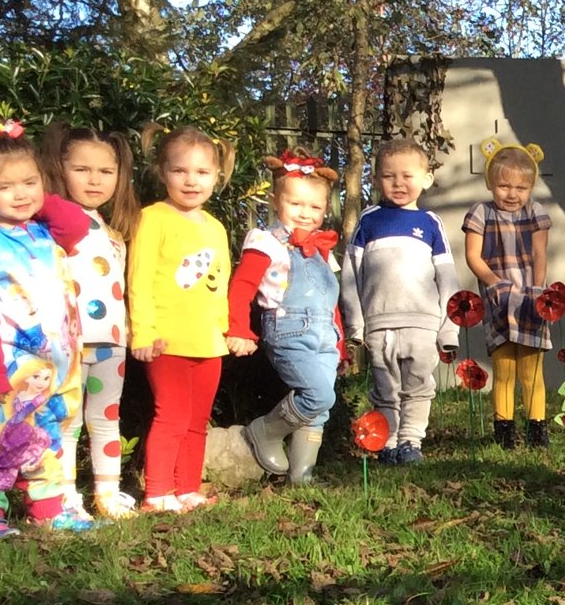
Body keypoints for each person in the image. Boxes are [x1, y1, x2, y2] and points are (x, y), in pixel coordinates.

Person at [0, 120, 96, 537]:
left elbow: (78, 226)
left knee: (47, 439)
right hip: (10, 369)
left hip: (60, 366)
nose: (20, 194)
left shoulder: (45, 232)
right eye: (5, 186)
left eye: (29, 182)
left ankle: (48, 510)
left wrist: (42, 198)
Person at [130, 125, 234, 512]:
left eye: (202, 173)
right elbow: (138, 278)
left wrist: (225, 331)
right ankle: (157, 493)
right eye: (180, 171)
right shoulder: (152, 218)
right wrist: (143, 331)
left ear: (216, 177)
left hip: (208, 342)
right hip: (165, 341)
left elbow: (220, 284)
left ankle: (188, 488)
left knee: (197, 420)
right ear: (162, 172)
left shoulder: (217, 228)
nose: (191, 181)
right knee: (171, 415)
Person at [43, 123, 140, 520]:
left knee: (105, 417)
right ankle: (63, 496)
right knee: (65, 421)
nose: (95, 180)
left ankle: (107, 493)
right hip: (68, 340)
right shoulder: (54, 221)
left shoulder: (113, 230)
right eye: (82, 169)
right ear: (59, 169)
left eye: (106, 171)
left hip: (112, 340)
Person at [228, 151, 344, 484]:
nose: (306, 214)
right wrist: (240, 329)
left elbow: (329, 299)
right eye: (296, 205)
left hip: (324, 335)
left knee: (319, 409)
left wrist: (341, 345)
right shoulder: (266, 242)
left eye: (315, 207)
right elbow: (242, 286)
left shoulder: (322, 249)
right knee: (318, 395)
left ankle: (301, 477)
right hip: (288, 330)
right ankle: (265, 431)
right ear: (275, 200)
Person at [342, 140, 458, 465]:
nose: (399, 183)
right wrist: (356, 323)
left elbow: (447, 279)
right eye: (389, 176)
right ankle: (388, 441)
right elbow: (351, 274)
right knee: (385, 388)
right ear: (376, 180)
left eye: (408, 175)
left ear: (426, 178)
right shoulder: (369, 221)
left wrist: (448, 331)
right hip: (379, 325)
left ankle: (411, 441)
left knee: (418, 386)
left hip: (423, 325)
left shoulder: (432, 224)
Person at [464, 140, 554, 448]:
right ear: (490, 182)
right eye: (504, 186)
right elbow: (474, 256)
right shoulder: (481, 213)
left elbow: (540, 254)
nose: (512, 194)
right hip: (499, 301)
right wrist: (494, 282)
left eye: (520, 187)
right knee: (505, 368)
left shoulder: (536, 212)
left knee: (531, 370)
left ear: (530, 187)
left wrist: (538, 290)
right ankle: (504, 432)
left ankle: (537, 432)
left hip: (530, 301)